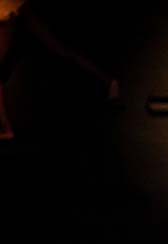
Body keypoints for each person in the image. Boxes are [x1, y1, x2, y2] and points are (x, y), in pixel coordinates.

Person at [0, 0, 119, 140]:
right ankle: (109, 82)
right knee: (60, 48)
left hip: (6, 10)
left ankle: (6, 128)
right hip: (13, 6)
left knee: (58, 48)